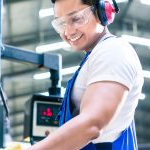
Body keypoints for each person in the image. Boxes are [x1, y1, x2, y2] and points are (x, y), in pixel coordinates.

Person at [28, 0, 143, 149]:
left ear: (103, 11)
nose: (68, 32)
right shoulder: (94, 58)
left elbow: (91, 125)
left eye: (76, 19)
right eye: (61, 24)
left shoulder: (113, 51)